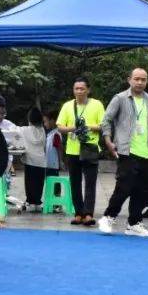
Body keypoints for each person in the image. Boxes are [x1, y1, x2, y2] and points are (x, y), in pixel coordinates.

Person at [98, 68, 148, 237]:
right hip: (127, 150)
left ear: (147, 81)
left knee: (142, 190)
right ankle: (108, 217)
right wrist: (108, 141)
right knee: (124, 187)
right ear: (129, 80)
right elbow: (106, 121)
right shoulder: (120, 98)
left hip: (147, 152)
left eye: (143, 79)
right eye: (137, 79)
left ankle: (134, 223)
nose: (140, 82)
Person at [55, 78, 104, 226]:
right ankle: (78, 213)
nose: (79, 91)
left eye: (82, 88)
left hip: (90, 148)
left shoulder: (97, 104)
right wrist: (74, 128)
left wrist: (87, 127)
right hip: (72, 150)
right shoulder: (67, 106)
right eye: (76, 88)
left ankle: (88, 214)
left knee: (90, 183)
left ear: (88, 90)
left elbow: (103, 125)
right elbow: (60, 126)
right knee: (75, 183)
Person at [17, 107, 56, 212]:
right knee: (39, 183)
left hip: (30, 160)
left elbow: (14, 130)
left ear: (29, 120)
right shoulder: (42, 130)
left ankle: (30, 202)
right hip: (41, 161)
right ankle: (37, 202)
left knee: (29, 183)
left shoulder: (24, 130)